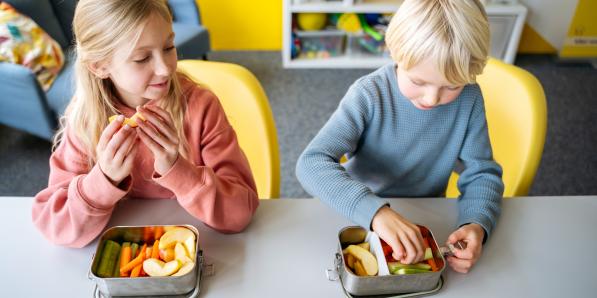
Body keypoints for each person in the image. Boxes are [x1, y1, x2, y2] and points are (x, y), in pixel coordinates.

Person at [296, 0, 503, 273]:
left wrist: (475, 223)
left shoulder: (470, 98)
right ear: (395, 53)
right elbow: (310, 163)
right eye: (418, 81)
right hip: (355, 213)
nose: (432, 98)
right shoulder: (369, 93)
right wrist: (375, 212)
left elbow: (482, 173)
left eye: (451, 85)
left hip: (425, 214)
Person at [32, 0, 259, 248]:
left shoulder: (200, 107)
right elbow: (55, 226)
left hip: (201, 248)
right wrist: (103, 180)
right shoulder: (86, 119)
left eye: (169, 46)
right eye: (142, 59)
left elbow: (240, 212)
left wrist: (179, 169)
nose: (165, 69)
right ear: (100, 66)